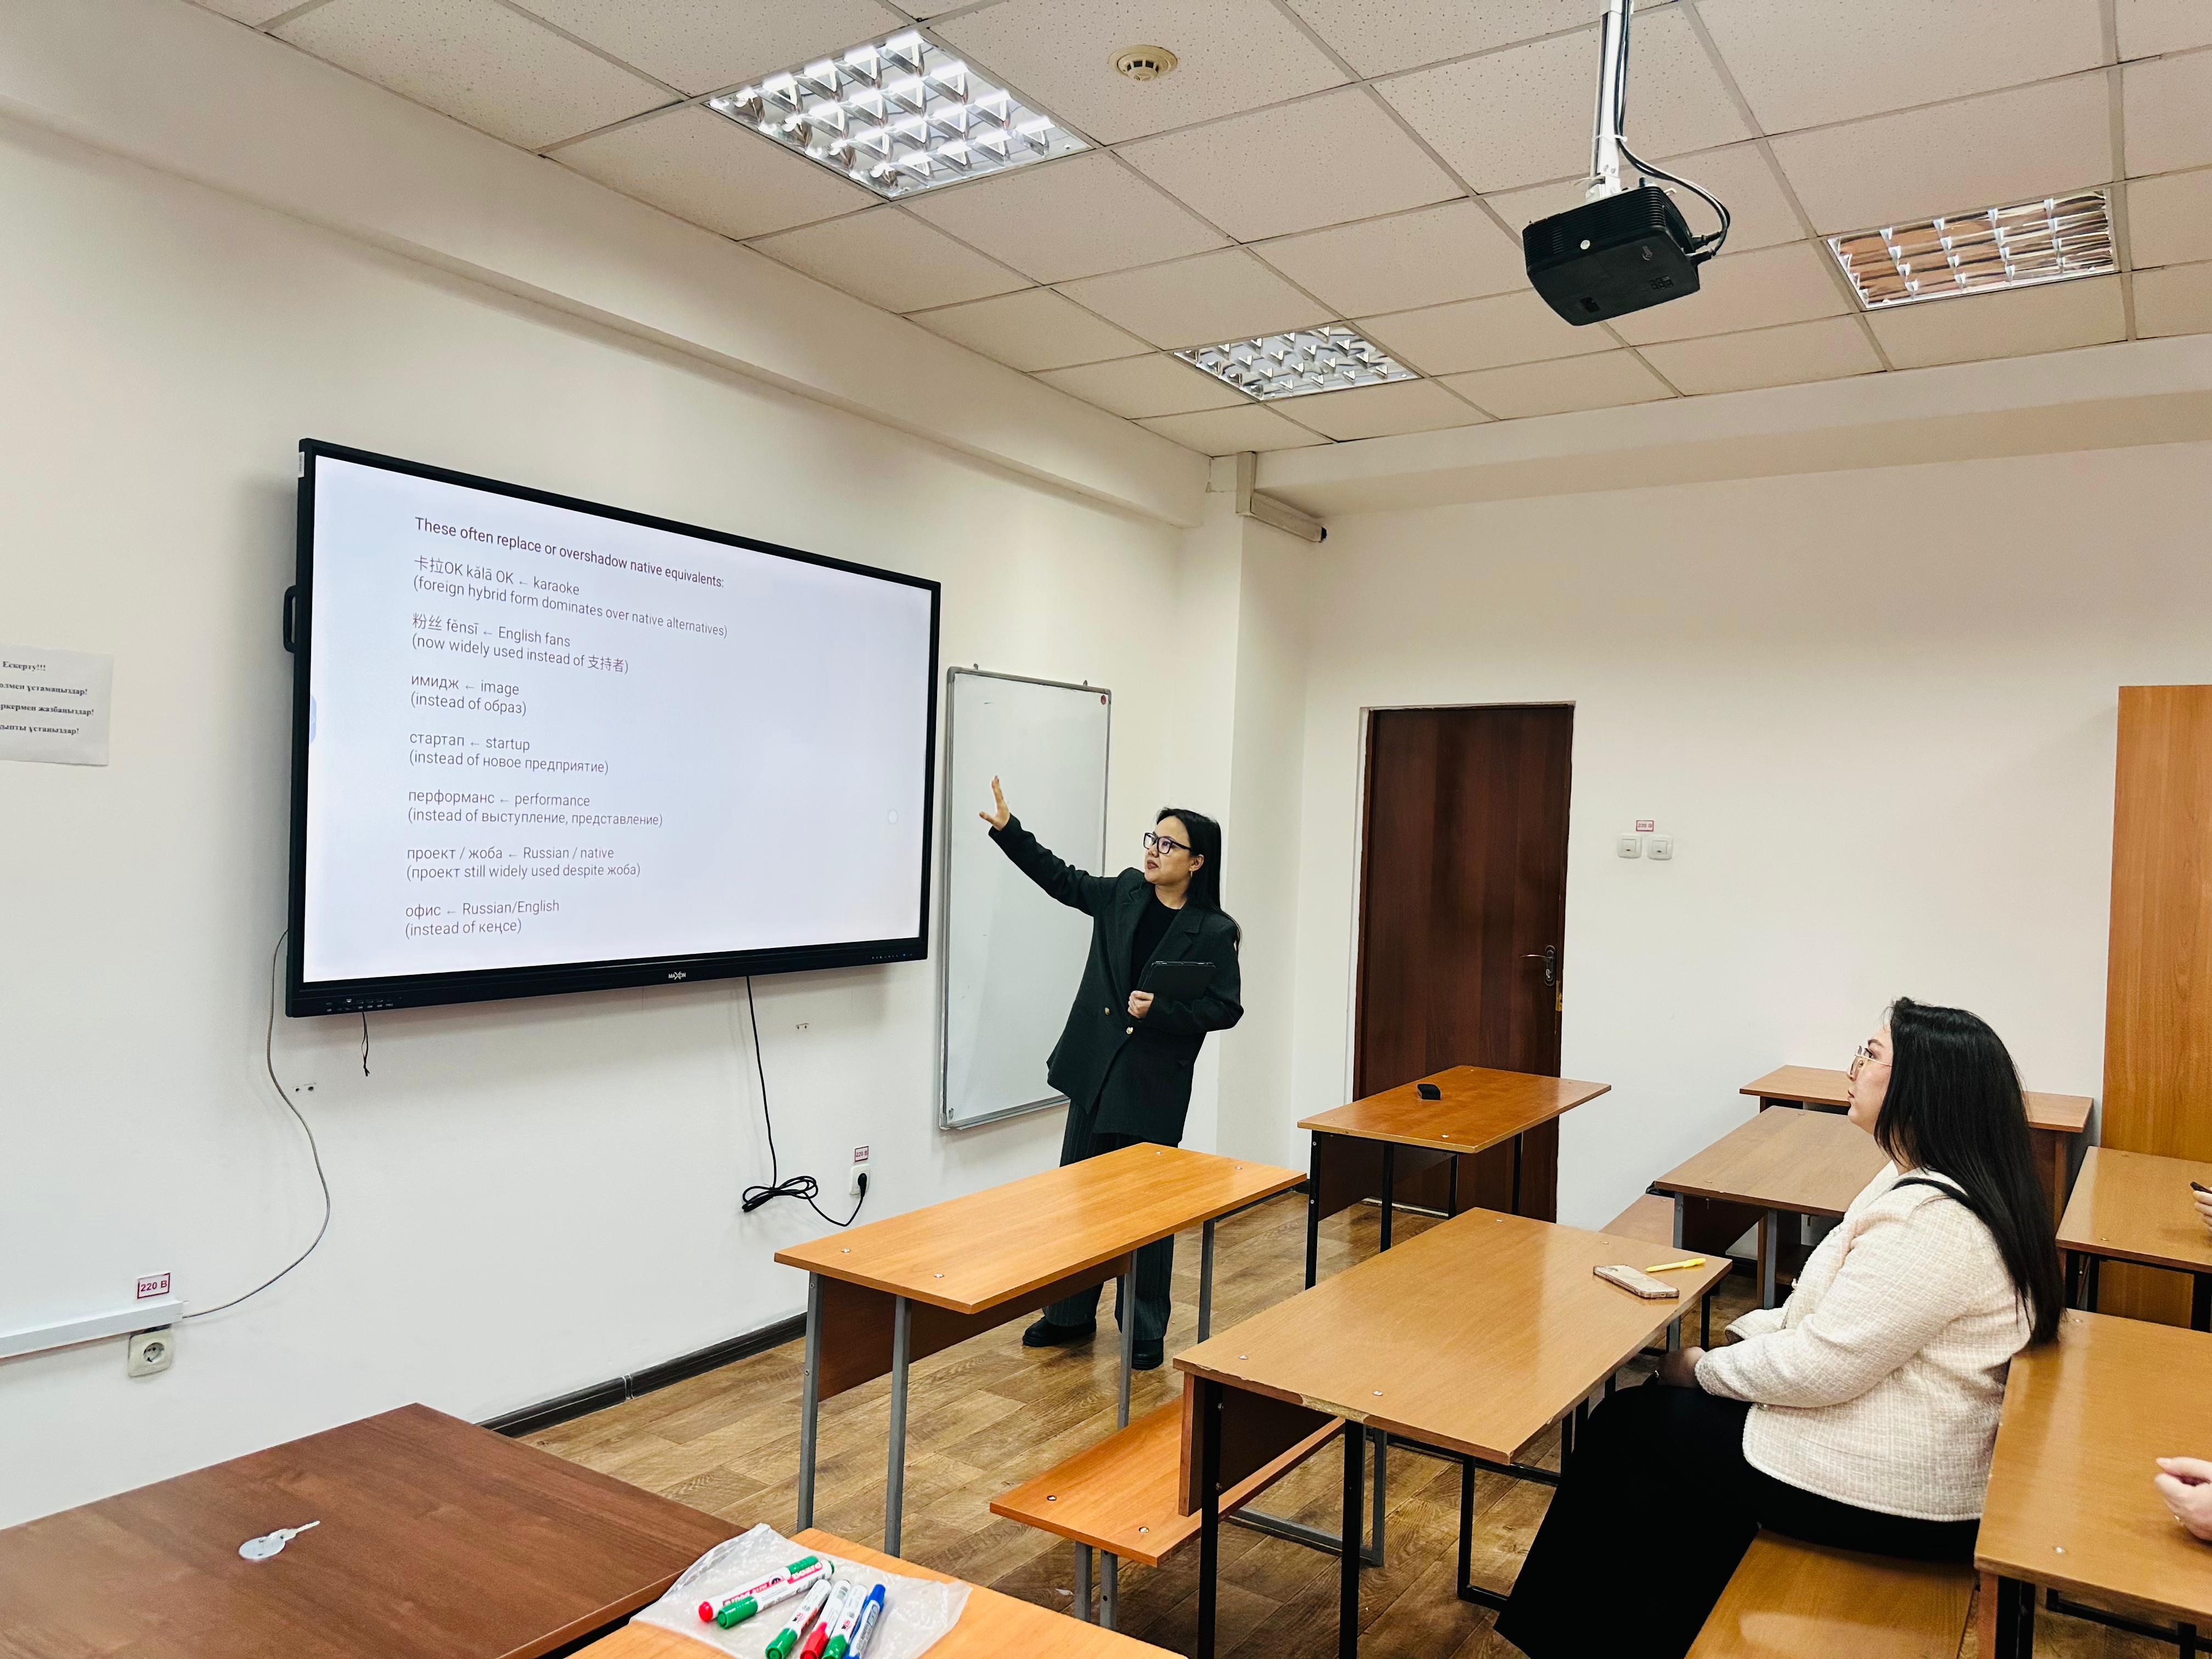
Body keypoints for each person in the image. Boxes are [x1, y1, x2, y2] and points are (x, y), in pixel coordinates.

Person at [1497, 998, 2064, 1659]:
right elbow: (1822, 1317)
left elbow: (1822, 1367)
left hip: (1906, 1489)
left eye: (1872, 1055)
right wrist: (1738, 1346)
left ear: (1924, 1087)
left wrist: (1702, 1368)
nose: (1852, 1067)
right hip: (1890, 1437)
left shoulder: (1932, 1222)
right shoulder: (1922, 1178)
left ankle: (1568, 1641)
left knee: (1630, 1427)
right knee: (1657, 1434)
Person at [979, 776, 1242, 1370]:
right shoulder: (1124, 892)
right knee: (1078, 1197)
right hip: (1095, 1072)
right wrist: (1011, 832)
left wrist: (1162, 1011)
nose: (1154, 851)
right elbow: (1064, 880)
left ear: (1197, 862)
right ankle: (1068, 1314)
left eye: (1169, 845)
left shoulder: (1215, 931)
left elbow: (1225, 1008)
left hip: (1153, 1085)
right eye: (1153, 839)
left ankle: (1144, 1327)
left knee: (1145, 1211)